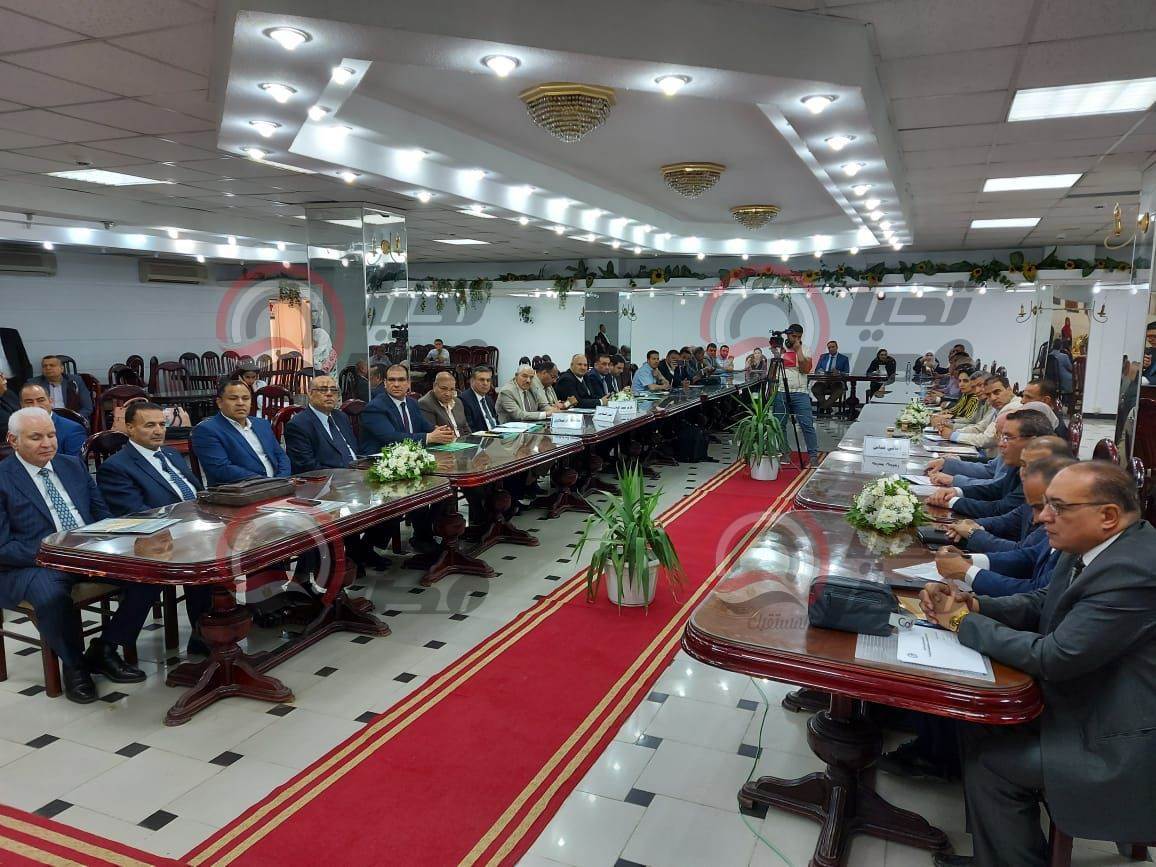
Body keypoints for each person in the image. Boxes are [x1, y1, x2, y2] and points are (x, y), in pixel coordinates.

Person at [919, 461, 1156, 867]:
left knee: (993, 762)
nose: (1043, 516)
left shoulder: (1134, 571)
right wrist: (974, 604)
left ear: (1108, 516)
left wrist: (962, 623)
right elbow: (1044, 601)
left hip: (1116, 737)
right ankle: (997, 853)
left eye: (1058, 507)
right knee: (976, 720)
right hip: (1086, 700)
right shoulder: (1093, 544)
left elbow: (1055, 656)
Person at [0, 407, 158, 703]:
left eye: (51, 435)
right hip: (30, 563)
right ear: (13, 440)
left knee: (149, 573)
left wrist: (124, 538)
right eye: (36, 437)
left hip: (87, 552)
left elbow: (101, 515)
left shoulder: (71, 464)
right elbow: (3, 547)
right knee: (50, 596)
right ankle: (75, 665)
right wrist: (58, 552)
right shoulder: (3, 478)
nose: (47, 443)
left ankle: (105, 649)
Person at [95, 402, 212, 652]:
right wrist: (189, 527)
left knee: (240, 546)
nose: (158, 430)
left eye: (161, 424)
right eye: (149, 425)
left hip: (195, 527)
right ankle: (204, 633)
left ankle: (230, 618)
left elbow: (198, 492)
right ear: (130, 428)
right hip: (155, 540)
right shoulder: (117, 467)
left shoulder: (171, 454)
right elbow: (136, 515)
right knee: (203, 559)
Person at [284, 376, 393, 573]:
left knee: (394, 497)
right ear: (310, 394)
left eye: (333, 390)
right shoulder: (299, 424)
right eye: (322, 389)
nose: (329, 394)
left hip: (356, 476)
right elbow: (307, 467)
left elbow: (352, 450)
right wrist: (348, 478)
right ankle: (349, 556)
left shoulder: (340, 417)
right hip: (326, 485)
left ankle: (363, 549)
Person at [925, 409, 1053, 518]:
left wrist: (952, 502)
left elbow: (1001, 510)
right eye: (1000, 436)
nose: (1000, 444)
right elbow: (996, 489)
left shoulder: (1044, 475)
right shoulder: (1020, 464)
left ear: (1033, 441)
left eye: (1007, 437)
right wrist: (957, 491)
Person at [949, 452, 1074, 554]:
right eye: (1023, 465)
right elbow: (1005, 521)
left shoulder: (1063, 539)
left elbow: (1022, 554)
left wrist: (973, 533)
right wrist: (969, 525)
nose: (1039, 518)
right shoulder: (1033, 490)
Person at [191, 380, 291, 485]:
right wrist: (266, 482)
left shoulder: (262, 424)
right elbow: (221, 469)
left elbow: (281, 456)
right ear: (219, 402)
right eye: (233, 398)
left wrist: (281, 479)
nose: (240, 403)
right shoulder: (206, 430)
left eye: (246, 398)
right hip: (240, 490)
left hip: (278, 485)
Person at [360, 364, 455, 452]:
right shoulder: (374, 407)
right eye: (391, 380)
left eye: (401, 380)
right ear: (385, 383)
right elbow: (391, 438)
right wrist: (428, 437)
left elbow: (425, 426)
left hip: (410, 456)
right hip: (378, 459)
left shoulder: (412, 403)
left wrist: (441, 432)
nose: (396, 384)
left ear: (408, 383)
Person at [769, 324, 818, 466]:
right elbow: (772, 373)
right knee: (780, 424)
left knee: (807, 424)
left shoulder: (805, 349)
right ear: (787, 335)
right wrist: (776, 357)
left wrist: (798, 351)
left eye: (799, 337)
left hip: (800, 393)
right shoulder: (780, 349)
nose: (796, 339)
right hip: (781, 391)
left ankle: (813, 455)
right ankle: (785, 452)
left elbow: (805, 370)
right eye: (793, 336)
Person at [937, 374, 1021, 450]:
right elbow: (980, 427)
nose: (993, 398)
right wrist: (952, 431)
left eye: (997, 392)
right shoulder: (998, 406)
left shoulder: (1011, 408)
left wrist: (953, 435)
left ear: (1009, 390)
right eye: (988, 395)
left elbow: (988, 439)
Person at [19, 384, 86, 457]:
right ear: (22, 406)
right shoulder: (16, 427)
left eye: (41, 400)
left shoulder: (72, 430)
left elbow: (74, 463)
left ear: (50, 401)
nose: (36, 406)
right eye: (29, 402)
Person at [29, 355, 93, 420]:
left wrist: (75, 419)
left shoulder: (75, 381)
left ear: (62, 369)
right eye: (44, 366)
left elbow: (87, 407)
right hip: (44, 419)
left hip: (71, 419)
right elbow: (28, 407)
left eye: (52, 365)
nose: (48, 368)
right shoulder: (33, 383)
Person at [497, 365, 561, 423]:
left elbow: (542, 405)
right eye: (524, 376)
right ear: (516, 375)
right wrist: (546, 414)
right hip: (510, 429)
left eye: (531, 377)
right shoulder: (507, 391)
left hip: (530, 426)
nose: (528, 380)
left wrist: (554, 411)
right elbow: (518, 415)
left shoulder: (532, 387)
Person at [418, 371, 470, 437]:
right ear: (434, 386)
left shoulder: (457, 402)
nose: (448, 394)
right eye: (444, 389)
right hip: (445, 442)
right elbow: (432, 434)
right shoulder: (425, 404)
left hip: (463, 441)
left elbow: (466, 428)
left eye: (452, 389)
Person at [811, 340, 850, 415]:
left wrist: (838, 372)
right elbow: (817, 370)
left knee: (839, 390)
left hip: (836, 381)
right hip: (823, 380)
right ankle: (828, 408)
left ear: (837, 347)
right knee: (815, 389)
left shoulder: (844, 358)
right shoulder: (823, 356)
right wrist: (820, 371)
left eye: (833, 347)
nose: (831, 349)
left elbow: (847, 373)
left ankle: (823, 407)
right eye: (829, 348)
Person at [460, 365, 500, 432]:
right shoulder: (464, 399)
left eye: (488, 380)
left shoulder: (489, 399)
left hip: (497, 433)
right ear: (472, 381)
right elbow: (470, 428)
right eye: (482, 380)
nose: (485, 383)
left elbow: (495, 421)